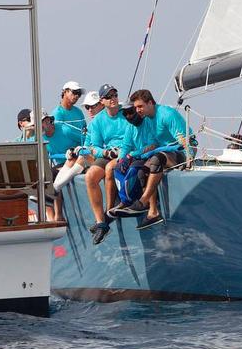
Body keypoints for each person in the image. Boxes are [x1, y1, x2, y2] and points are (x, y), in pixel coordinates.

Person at [109, 88, 189, 230]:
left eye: (140, 106)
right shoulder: (147, 119)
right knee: (141, 170)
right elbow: (132, 144)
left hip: (181, 154)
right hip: (163, 154)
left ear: (150, 103)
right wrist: (124, 159)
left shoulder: (167, 114)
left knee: (155, 159)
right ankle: (152, 212)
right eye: (136, 107)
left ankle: (142, 202)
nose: (137, 110)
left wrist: (187, 159)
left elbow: (184, 142)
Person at [83, 84, 131, 245]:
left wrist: (122, 150)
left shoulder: (126, 113)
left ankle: (109, 213)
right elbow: (94, 147)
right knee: (90, 176)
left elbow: (136, 133)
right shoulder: (98, 121)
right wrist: (105, 153)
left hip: (127, 151)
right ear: (102, 101)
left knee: (111, 168)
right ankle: (100, 222)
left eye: (115, 95)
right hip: (109, 153)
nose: (113, 99)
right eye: (109, 96)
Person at [53, 80, 86, 146]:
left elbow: (85, 131)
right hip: (64, 154)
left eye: (79, 94)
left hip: (80, 151)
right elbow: (65, 133)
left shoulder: (79, 112)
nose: (76, 96)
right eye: (74, 92)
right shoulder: (57, 113)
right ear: (65, 92)